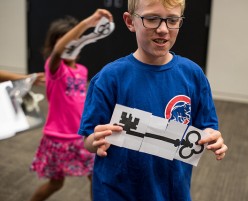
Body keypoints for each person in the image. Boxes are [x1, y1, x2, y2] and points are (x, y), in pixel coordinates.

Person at [78, 0, 228, 200]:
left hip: (171, 190)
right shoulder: (109, 78)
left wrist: (213, 137)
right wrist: (94, 140)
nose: (163, 29)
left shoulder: (193, 75)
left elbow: (207, 127)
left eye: (172, 20)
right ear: (130, 21)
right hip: (117, 191)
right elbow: (88, 139)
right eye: (151, 19)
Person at [29, 9, 113, 201]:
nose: (70, 45)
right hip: (58, 139)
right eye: (66, 41)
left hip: (81, 137)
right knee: (56, 184)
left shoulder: (82, 70)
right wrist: (88, 22)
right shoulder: (54, 67)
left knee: (96, 177)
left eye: (75, 40)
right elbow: (59, 50)